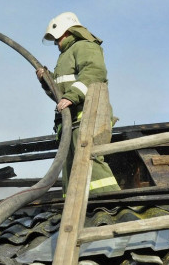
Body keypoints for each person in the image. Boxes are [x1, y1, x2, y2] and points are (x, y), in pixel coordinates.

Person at [36, 12, 121, 195]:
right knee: (72, 170)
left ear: (67, 32)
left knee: (90, 163)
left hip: (86, 118)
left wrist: (72, 96)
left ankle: (114, 205)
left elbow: (94, 72)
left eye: (57, 39)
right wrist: (46, 80)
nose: (56, 44)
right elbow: (61, 97)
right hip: (71, 124)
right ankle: (74, 210)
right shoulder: (65, 57)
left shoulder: (84, 46)